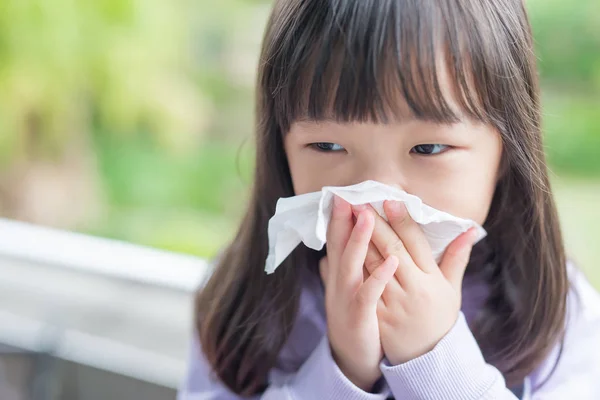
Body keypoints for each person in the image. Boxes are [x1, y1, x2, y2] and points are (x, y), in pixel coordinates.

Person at [178, 0, 600, 398]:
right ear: (280, 149)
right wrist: (342, 368)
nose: (377, 193)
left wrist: (436, 360)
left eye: (428, 149)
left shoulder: (560, 314)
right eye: (327, 146)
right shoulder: (242, 301)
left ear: (507, 151)